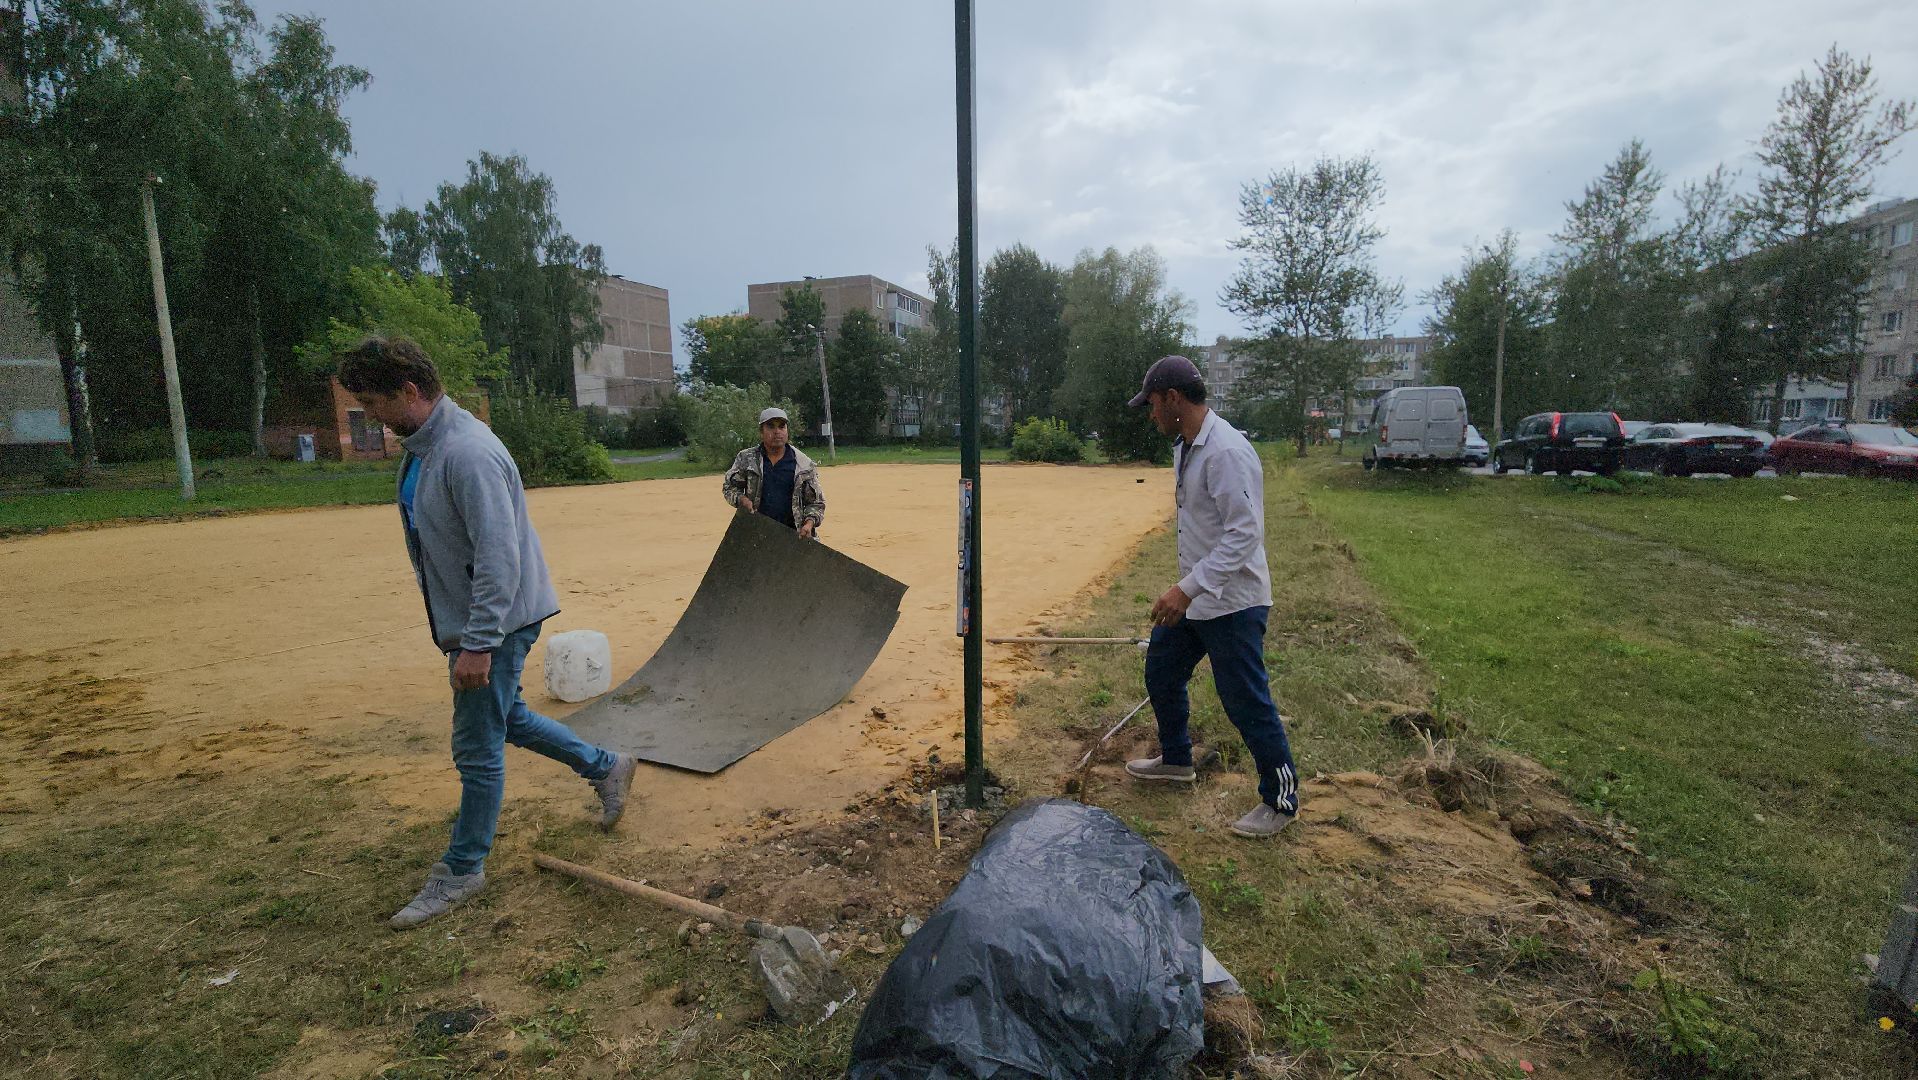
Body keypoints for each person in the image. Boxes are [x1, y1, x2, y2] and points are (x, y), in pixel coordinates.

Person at [337, 336, 639, 929]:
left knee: (476, 749)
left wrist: (478, 643)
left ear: (410, 392)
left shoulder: (466, 453)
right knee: (509, 720)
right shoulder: (427, 445)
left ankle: (461, 870)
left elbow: (499, 558)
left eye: (373, 403)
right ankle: (606, 765)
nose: (369, 416)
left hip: (496, 623)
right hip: (481, 619)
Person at [1121, 355, 1301, 838]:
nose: (1151, 414)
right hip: (1197, 597)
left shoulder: (1225, 451)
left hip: (1234, 602)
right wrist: (1189, 589)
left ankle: (1281, 800)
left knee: (1244, 700)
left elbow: (1245, 534)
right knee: (1162, 669)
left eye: (1154, 405)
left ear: (1174, 399)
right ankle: (1177, 762)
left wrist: (1187, 587)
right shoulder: (1187, 445)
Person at [722, 407, 826, 538]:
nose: (777, 432)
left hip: (794, 536)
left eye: (782, 427)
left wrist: (809, 523)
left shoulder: (803, 464)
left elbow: (816, 503)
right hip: (756, 534)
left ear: (787, 431)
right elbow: (729, 487)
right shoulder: (746, 459)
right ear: (761, 431)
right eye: (771, 427)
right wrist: (741, 499)